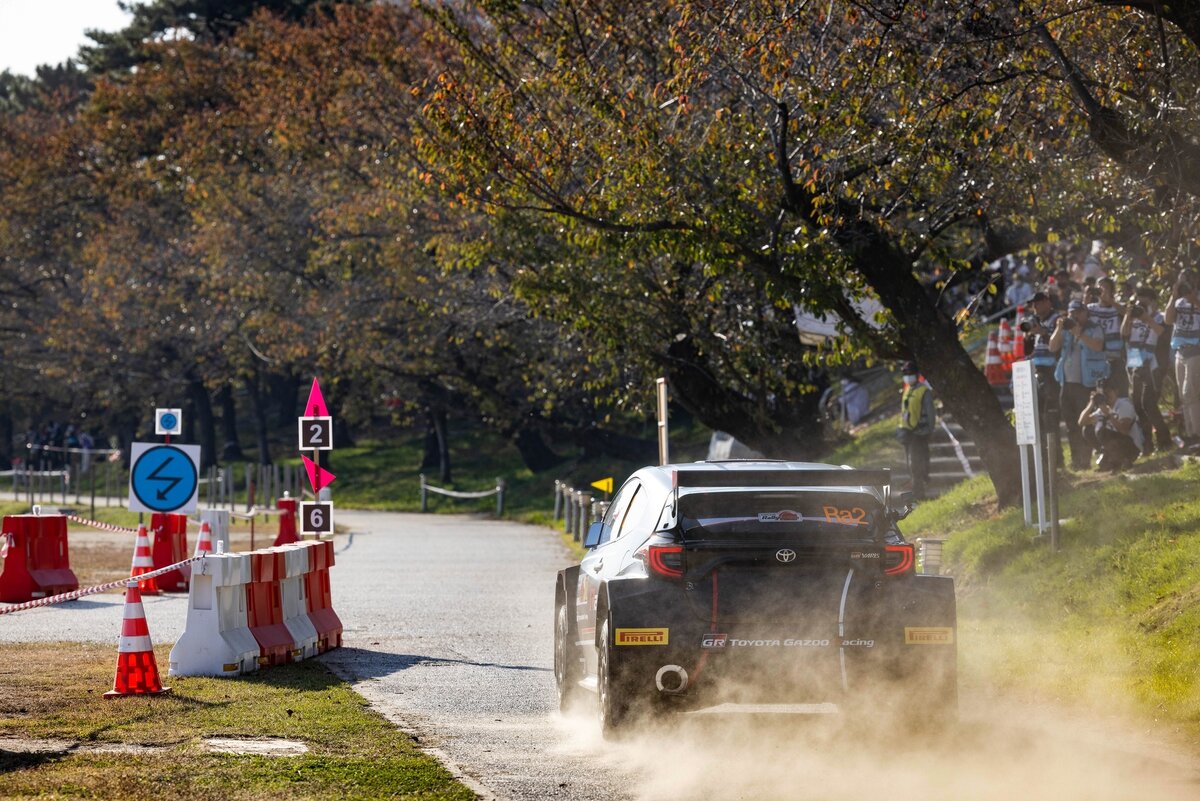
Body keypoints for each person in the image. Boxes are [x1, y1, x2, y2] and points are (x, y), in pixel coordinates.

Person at [1050, 300, 1108, 469]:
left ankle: (1086, 458)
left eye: (1077, 312)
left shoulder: (1093, 328)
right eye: (1071, 313)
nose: (1074, 316)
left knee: (1085, 423)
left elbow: (1098, 346)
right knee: (1070, 425)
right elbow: (1053, 347)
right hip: (1066, 383)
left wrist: (1080, 334)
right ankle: (1077, 460)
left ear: (1085, 312)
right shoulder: (1066, 329)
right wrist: (1059, 328)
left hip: (1086, 383)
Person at [1121, 286, 1171, 452]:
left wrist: (1147, 318)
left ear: (1152, 302)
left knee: (1148, 403)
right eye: (1138, 302)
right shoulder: (1134, 318)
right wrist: (1128, 315)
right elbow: (1124, 334)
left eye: (1144, 302)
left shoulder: (1159, 317)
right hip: (1135, 363)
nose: (1140, 306)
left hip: (1152, 365)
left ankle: (1164, 441)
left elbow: (1161, 332)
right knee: (1137, 405)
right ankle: (1147, 443)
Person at [1165, 271, 1200, 448]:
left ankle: (1197, 434)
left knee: (1190, 392)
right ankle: (1191, 432)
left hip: (1196, 351)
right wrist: (1174, 295)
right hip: (1180, 351)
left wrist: (1194, 300)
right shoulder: (1178, 301)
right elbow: (1168, 319)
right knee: (1184, 395)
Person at [1077, 377, 1143, 471]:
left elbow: (1124, 430)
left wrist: (1108, 415)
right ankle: (1110, 458)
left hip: (1131, 447)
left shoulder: (1124, 405)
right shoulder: (1103, 408)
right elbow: (1081, 422)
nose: (1106, 396)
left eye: (1108, 392)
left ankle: (1123, 460)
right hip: (1116, 444)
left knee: (1102, 431)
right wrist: (1092, 403)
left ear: (1116, 391)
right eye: (1103, 394)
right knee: (1087, 430)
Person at [897, 361, 935, 500]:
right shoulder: (907, 390)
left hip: (920, 432)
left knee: (915, 463)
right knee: (911, 463)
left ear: (917, 374)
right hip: (907, 432)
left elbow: (931, 413)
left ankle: (920, 493)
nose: (908, 376)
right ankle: (921, 486)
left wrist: (930, 430)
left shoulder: (924, 391)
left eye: (910, 373)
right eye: (905, 374)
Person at [1088, 277, 1127, 394]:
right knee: (1098, 393)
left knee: (1118, 392)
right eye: (1100, 288)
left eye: (1106, 288)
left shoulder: (1118, 307)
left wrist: (1111, 301)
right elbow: (1080, 318)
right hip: (1095, 358)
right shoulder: (1091, 308)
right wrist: (1086, 298)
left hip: (1115, 357)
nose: (1102, 291)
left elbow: (1127, 314)